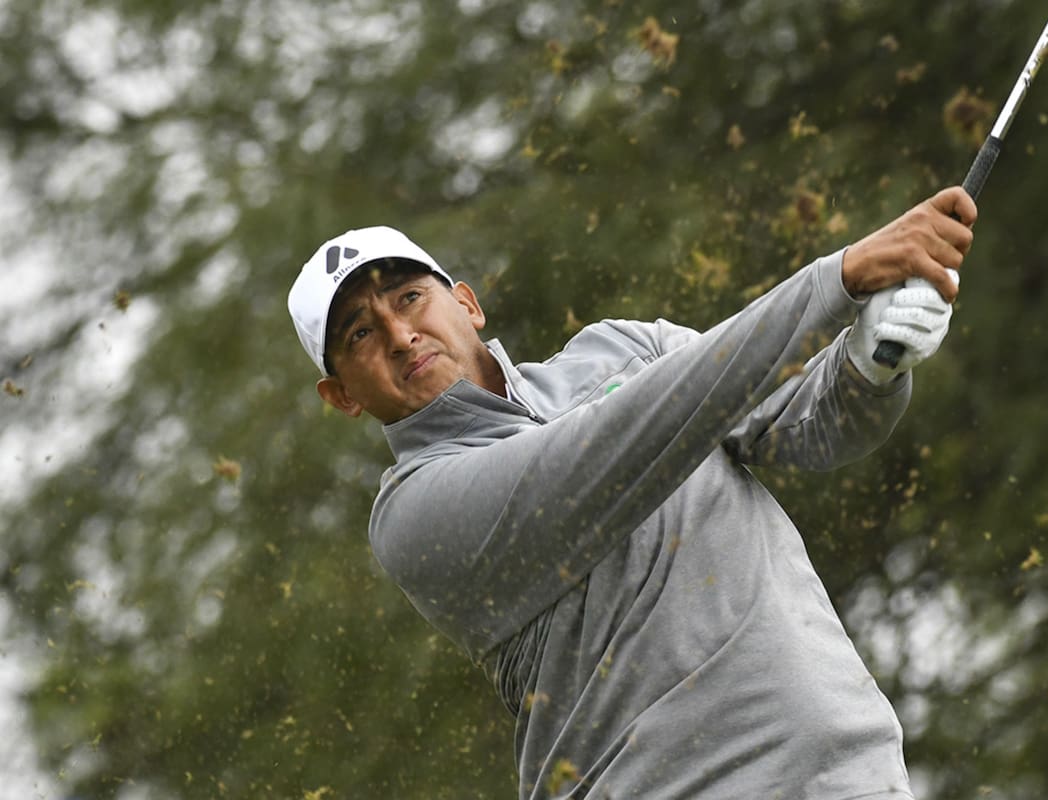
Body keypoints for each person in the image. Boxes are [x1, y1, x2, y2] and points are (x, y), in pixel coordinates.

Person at [287, 187, 977, 799]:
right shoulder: (414, 514)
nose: (402, 336)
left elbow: (813, 427)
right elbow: (620, 444)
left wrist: (872, 361)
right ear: (341, 395)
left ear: (466, 302)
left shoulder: (621, 349)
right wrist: (842, 278)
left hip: (850, 774)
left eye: (410, 298)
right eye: (360, 333)